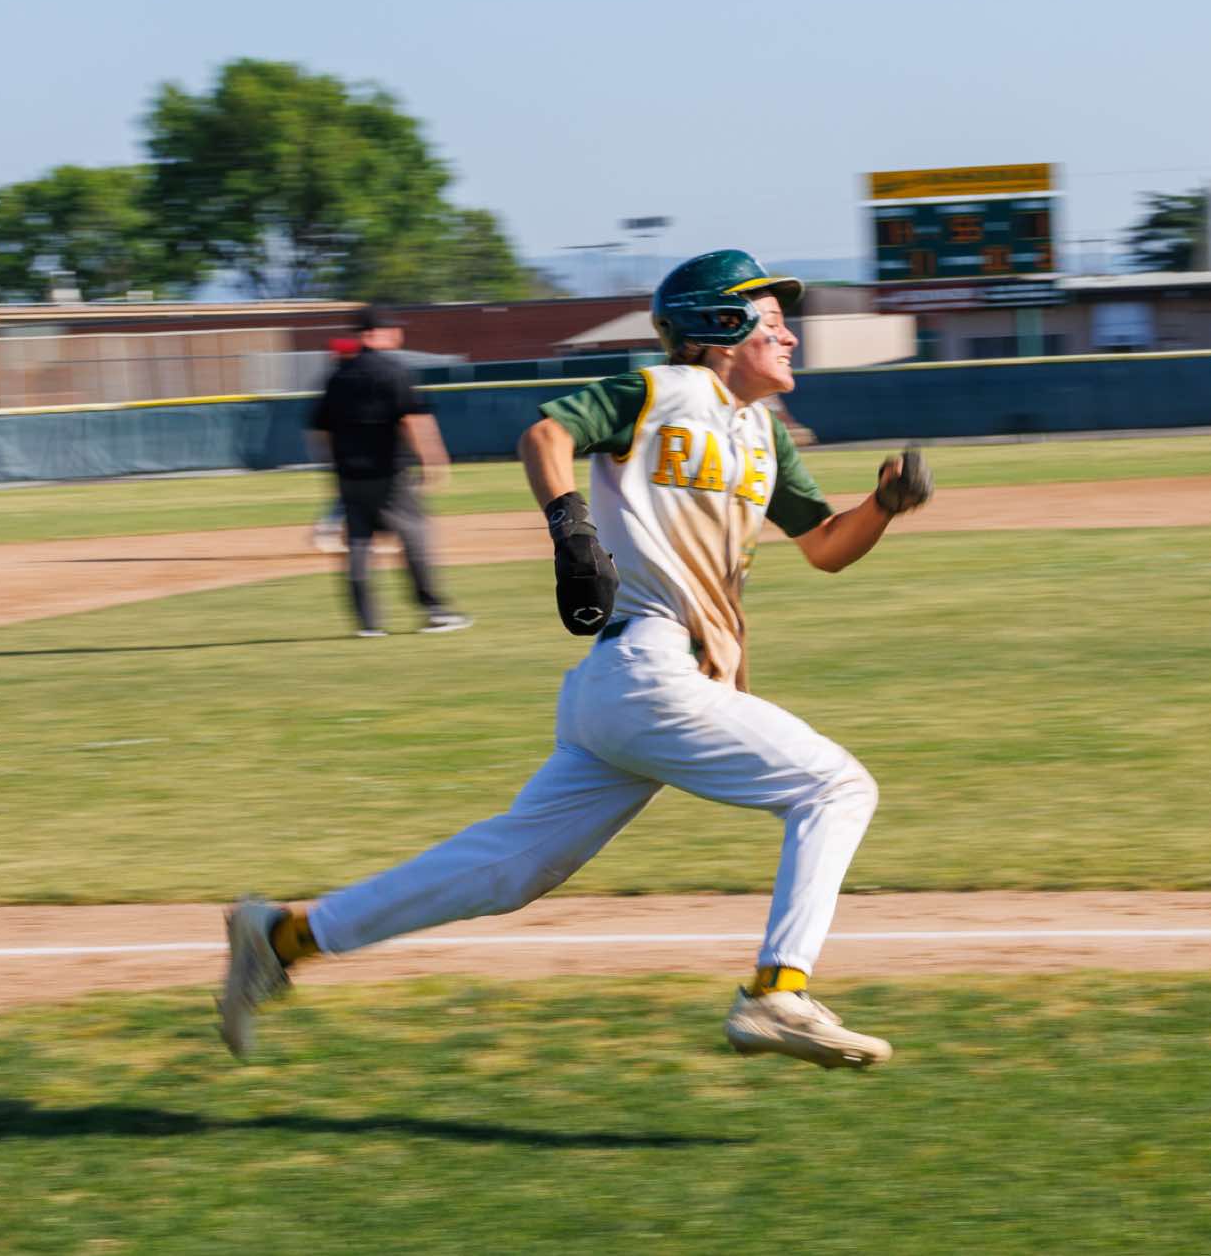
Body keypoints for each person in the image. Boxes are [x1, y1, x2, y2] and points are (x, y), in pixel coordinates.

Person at [219, 250, 932, 1069]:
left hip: (630, 689)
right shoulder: (661, 390)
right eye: (773, 321)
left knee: (510, 870)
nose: (790, 336)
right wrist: (570, 526)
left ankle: (283, 938)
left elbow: (826, 545)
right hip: (649, 669)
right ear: (721, 325)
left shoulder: (763, 433)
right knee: (837, 786)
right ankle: (777, 992)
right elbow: (548, 433)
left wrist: (883, 505)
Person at [308, 306, 470, 636]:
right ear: (375, 333)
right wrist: (433, 460)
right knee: (414, 535)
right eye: (391, 328)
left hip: (350, 476)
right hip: (389, 473)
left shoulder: (338, 376)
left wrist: (334, 465)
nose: (397, 333)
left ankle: (367, 623)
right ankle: (435, 611)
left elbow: (319, 429)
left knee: (358, 543)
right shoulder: (394, 371)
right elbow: (413, 420)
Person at [307, 336, 361, 555]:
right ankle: (326, 530)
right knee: (350, 493)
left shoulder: (338, 379)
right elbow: (320, 424)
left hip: (345, 447)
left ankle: (347, 532)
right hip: (344, 448)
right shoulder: (341, 381)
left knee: (356, 493)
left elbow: (318, 424)